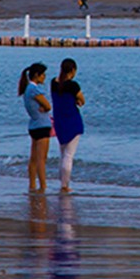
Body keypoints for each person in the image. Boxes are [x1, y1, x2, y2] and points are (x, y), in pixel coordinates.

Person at [51, 58, 86, 192]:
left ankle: (62, 183)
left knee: (63, 153)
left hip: (59, 122)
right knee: (69, 155)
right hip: (72, 121)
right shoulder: (73, 85)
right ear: (73, 71)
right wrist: (77, 100)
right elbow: (82, 100)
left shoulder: (53, 83)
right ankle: (65, 185)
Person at [18, 62, 52, 191]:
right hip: (42, 125)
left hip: (33, 125)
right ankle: (43, 185)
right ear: (37, 75)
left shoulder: (27, 89)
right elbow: (48, 105)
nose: (44, 77)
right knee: (41, 159)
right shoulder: (34, 89)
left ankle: (32, 184)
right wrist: (45, 107)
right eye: (43, 75)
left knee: (33, 158)